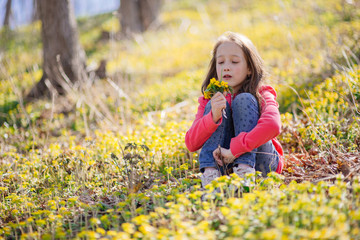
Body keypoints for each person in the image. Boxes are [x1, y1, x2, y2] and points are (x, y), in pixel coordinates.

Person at [185, 31, 284, 187]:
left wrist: (234, 151)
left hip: (262, 164)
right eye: (221, 62)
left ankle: (245, 174)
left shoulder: (262, 93)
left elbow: (273, 125)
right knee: (214, 106)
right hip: (225, 166)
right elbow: (191, 143)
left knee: (244, 99)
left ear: (250, 68)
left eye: (234, 62)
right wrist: (213, 117)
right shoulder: (209, 99)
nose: (226, 68)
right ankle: (212, 177)